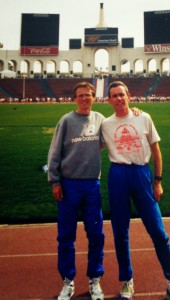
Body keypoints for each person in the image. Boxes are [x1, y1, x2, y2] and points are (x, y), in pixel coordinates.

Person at [101, 81, 170, 300]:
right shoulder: (105, 124)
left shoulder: (144, 117)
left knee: (158, 232)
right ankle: (127, 282)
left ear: (129, 96)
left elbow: (156, 150)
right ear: (109, 100)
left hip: (142, 174)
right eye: (114, 95)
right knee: (120, 232)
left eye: (122, 94)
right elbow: (89, 148)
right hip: (118, 175)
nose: (119, 98)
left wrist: (157, 180)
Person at [48, 82, 105, 300]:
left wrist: (135, 111)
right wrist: (54, 181)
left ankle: (94, 279)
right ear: (75, 99)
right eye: (80, 95)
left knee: (96, 235)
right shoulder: (66, 121)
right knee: (66, 236)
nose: (84, 99)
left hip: (92, 185)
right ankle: (68, 281)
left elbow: (118, 126)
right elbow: (54, 151)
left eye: (88, 95)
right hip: (69, 185)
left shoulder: (100, 119)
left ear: (93, 97)